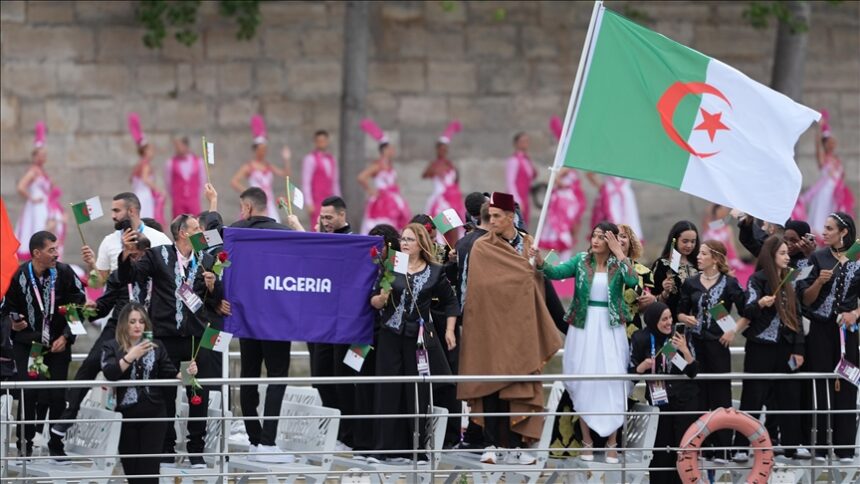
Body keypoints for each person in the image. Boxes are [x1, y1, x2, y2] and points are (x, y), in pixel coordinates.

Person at [460, 192, 562, 465]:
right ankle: (492, 443)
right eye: (489, 216)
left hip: (521, 329)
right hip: (492, 326)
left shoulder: (528, 245)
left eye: (496, 216)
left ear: (510, 217)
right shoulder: (482, 247)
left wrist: (534, 266)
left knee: (519, 383)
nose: (490, 221)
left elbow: (538, 285)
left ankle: (517, 444)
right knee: (492, 384)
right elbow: (479, 288)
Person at [117, 214, 224, 467]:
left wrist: (213, 286)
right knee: (164, 394)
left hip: (193, 343)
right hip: (165, 340)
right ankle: (166, 448)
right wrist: (125, 254)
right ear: (183, 233)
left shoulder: (206, 259)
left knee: (196, 393)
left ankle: (195, 450)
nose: (202, 232)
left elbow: (216, 301)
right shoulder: (158, 255)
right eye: (197, 228)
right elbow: (130, 276)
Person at [534, 221, 636, 463]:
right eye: (595, 236)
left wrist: (620, 253)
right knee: (583, 379)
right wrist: (538, 260)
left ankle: (612, 442)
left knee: (613, 380)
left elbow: (633, 282)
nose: (596, 240)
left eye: (603, 237)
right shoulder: (581, 261)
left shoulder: (618, 264)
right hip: (583, 328)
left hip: (611, 328)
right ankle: (587, 441)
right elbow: (554, 273)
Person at [49, 234, 152, 457]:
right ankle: (64, 424)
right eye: (129, 254)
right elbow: (104, 306)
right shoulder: (119, 274)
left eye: (137, 255)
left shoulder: (156, 274)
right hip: (115, 329)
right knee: (88, 368)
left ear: (146, 254)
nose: (133, 259)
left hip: (146, 331)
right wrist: (91, 308)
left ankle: (147, 439)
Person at [368, 223, 458, 463]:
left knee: (416, 391)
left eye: (409, 240)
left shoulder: (435, 272)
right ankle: (383, 449)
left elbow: (451, 302)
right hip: (390, 335)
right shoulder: (392, 266)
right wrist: (382, 297)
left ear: (421, 244)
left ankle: (415, 449)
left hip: (417, 338)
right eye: (403, 239)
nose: (404, 243)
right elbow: (374, 302)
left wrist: (450, 331)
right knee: (388, 389)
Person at [227, 187, 297, 462]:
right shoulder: (286, 234)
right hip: (279, 319)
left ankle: (256, 439)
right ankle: (268, 441)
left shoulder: (236, 232)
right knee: (277, 377)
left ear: (246, 208)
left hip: (247, 317)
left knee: (249, 376)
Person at [1, 231, 85, 458]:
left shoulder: (65, 273)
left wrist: (67, 336)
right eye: (51, 250)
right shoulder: (18, 276)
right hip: (29, 344)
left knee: (57, 395)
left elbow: (78, 304)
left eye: (56, 249)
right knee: (29, 394)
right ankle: (24, 445)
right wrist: (13, 322)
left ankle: (56, 445)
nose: (56, 254)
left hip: (58, 344)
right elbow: (6, 307)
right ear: (37, 254)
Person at [101, 302, 198, 483]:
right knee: (132, 470)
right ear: (124, 324)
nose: (138, 325)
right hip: (126, 415)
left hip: (154, 413)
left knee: (150, 470)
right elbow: (110, 373)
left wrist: (187, 372)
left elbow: (170, 372)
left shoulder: (156, 345)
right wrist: (130, 356)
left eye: (141, 321)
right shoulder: (111, 346)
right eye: (132, 321)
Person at [733, 236, 808, 462]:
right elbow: (748, 310)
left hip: (785, 348)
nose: (787, 257)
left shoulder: (792, 280)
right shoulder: (757, 280)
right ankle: (742, 446)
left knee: (789, 397)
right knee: (752, 397)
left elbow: (797, 317)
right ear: (771, 254)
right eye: (783, 253)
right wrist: (760, 304)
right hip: (760, 347)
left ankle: (791, 445)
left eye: (787, 253)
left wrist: (799, 349)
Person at [795, 211, 858, 463]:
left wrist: (855, 312)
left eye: (830, 228)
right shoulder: (815, 257)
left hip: (848, 329)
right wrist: (818, 283)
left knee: (848, 383)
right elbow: (803, 297)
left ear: (843, 232)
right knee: (819, 384)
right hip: (820, 329)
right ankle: (819, 447)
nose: (824, 232)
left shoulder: (857, 257)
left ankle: (845, 448)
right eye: (825, 227)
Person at [676, 239, 746, 463]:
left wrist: (733, 330)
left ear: (715, 258)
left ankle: (723, 448)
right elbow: (680, 311)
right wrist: (683, 317)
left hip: (719, 346)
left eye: (703, 253)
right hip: (695, 346)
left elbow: (747, 311)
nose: (698, 256)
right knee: (699, 395)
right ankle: (702, 447)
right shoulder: (691, 283)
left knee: (721, 395)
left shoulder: (730, 283)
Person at [629, 302, 698, 484]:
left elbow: (691, 371)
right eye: (664, 319)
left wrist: (684, 349)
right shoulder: (641, 338)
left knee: (680, 452)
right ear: (653, 321)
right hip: (658, 404)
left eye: (670, 318)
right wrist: (642, 367)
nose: (669, 323)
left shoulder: (678, 335)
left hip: (683, 403)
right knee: (660, 453)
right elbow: (631, 373)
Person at [309, 195, 356, 450]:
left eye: (329, 217)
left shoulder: (353, 242)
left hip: (343, 325)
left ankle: (346, 435)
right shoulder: (321, 240)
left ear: (341, 215)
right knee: (320, 378)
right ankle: (333, 431)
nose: (325, 222)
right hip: (319, 323)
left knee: (342, 379)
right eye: (322, 217)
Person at [351, 224, 400, 456]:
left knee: (378, 389)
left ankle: (377, 443)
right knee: (361, 387)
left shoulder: (395, 268)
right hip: (361, 335)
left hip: (382, 336)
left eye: (377, 247)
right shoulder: (366, 266)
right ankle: (361, 441)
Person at [87, 192, 173, 288]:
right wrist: (91, 264)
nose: (113, 216)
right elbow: (98, 284)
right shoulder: (108, 241)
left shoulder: (160, 238)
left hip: (149, 301)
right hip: (119, 301)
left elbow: (170, 276)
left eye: (117, 211)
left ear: (131, 211)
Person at [797, 110, 855, 239]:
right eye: (829, 142)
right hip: (824, 194)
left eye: (833, 141)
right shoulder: (823, 158)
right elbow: (817, 145)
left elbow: (842, 178)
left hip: (835, 195)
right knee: (820, 221)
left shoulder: (837, 160)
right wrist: (819, 128)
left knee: (836, 221)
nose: (832, 144)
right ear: (825, 144)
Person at [14, 122, 65, 260]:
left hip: (44, 207)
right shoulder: (33, 171)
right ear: (35, 156)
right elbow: (21, 187)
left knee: (48, 229)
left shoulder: (43, 172)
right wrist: (32, 198)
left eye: (44, 154)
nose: (43, 157)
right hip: (36, 208)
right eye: (41, 154)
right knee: (37, 230)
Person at [541, 116, 587, 261]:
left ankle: (558, 265)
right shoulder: (567, 165)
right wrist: (561, 183)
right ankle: (556, 265)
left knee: (565, 234)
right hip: (563, 204)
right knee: (561, 235)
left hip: (568, 203)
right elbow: (555, 177)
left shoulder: (569, 167)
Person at [230, 115, 290, 222]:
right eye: (261, 149)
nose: (263, 152)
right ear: (255, 150)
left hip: (269, 203)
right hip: (255, 203)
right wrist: (249, 193)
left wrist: (286, 159)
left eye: (265, 149)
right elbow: (234, 181)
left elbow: (286, 174)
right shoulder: (249, 166)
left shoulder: (268, 166)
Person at [358, 119, 411, 233]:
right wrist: (371, 190)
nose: (392, 151)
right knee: (381, 224)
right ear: (384, 150)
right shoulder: (377, 165)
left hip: (393, 200)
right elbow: (361, 177)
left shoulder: (390, 166)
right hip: (382, 201)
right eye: (390, 148)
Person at [423, 121, 464, 245]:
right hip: (440, 202)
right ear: (437, 150)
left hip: (453, 201)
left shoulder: (451, 165)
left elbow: (456, 181)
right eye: (441, 149)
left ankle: (455, 251)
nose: (443, 151)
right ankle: (441, 249)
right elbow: (425, 175)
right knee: (441, 227)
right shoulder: (434, 164)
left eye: (445, 149)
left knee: (455, 227)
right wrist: (435, 169)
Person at [651, 221, 701, 317]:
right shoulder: (662, 264)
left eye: (693, 241)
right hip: (671, 324)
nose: (689, 245)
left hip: (700, 325)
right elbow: (651, 302)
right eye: (685, 241)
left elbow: (712, 299)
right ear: (674, 240)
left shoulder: (700, 264)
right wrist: (665, 292)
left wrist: (728, 327)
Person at [127, 113, 165, 226]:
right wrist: (158, 189)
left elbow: (132, 180)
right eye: (151, 150)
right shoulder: (145, 164)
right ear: (145, 151)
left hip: (138, 193)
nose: (152, 153)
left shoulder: (138, 165)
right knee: (145, 219)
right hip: (144, 196)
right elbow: (145, 179)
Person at [702, 204, 754, 286]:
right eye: (720, 210)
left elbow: (731, 245)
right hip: (715, 256)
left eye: (723, 210)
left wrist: (736, 258)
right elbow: (708, 226)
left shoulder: (727, 227)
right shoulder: (709, 225)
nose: (723, 212)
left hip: (728, 256)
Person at [617, 224, 656, 333]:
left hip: (631, 329)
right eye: (615, 237)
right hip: (604, 327)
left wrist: (650, 300)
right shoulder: (601, 268)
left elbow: (645, 306)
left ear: (631, 242)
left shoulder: (644, 272)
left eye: (623, 236)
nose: (619, 239)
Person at [302, 130, 341, 229]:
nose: (322, 143)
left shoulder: (332, 159)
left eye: (324, 140)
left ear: (327, 141)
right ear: (315, 142)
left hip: (330, 199)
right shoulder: (310, 159)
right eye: (319, 141)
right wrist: (309, 202)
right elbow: (306, 181)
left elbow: (335, 182)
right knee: (317, 226)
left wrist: (338, 200)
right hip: (317, 200)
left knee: (332, 226)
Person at [587, 173, 643, 240]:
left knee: (627, 230)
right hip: (609, 197)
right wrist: (602, 188)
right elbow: (589, 174)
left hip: (626, 199)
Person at [165, 135, 205, 219]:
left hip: (193, 200)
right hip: (178, 201)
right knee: (179, 224)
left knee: (196, 223)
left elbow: (202, 180)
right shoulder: (170, 163)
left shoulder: (199, 161)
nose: (176, 148)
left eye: (178, 146)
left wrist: (196, 195)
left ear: (185, 145)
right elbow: (168, 183)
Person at [505, 132, 537, 227]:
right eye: (522, 141)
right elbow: (510, 182)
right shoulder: (513, 160)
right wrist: (517, 200)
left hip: (526, 198)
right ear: (516, 143)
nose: (525, 143)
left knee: (524, 224)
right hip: (517, 197)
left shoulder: (527, 160)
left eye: (526, 141)